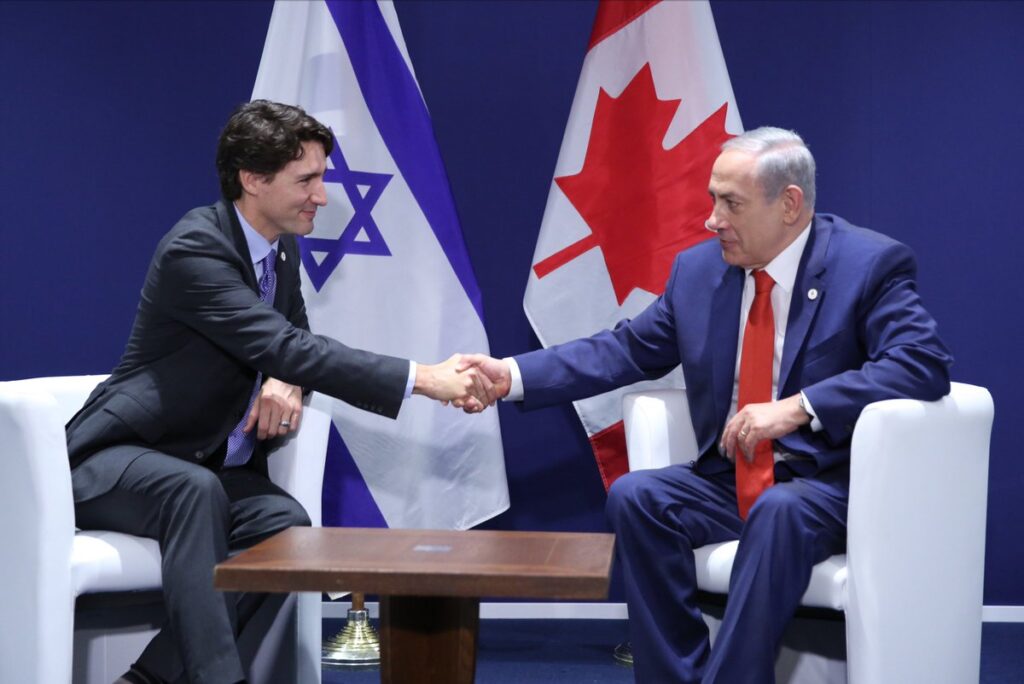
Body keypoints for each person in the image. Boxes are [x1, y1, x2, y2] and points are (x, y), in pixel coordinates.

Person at [459, 127, 952, 682]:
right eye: (712, 199)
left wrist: (799, 406)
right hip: (730, 477)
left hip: (828, 488)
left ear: (789, 204)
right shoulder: (699, 272)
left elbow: (921, 363)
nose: (711, 219)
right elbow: (624, 349)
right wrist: (512, 376)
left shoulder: (867, 265)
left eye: (731, 203)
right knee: (637, 495)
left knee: (780, 511)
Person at [65, 100, 497, 684]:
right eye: (308, 180)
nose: (322, 195)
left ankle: (149, 680)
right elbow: (288, 345)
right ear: (253, 179)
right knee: (192, 492)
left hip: (201, 464)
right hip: (117, 459)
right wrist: (423, 378)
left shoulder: (280, 247)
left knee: (286, 529)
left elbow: (292, 344)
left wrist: (284, 377)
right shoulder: (196, 248)